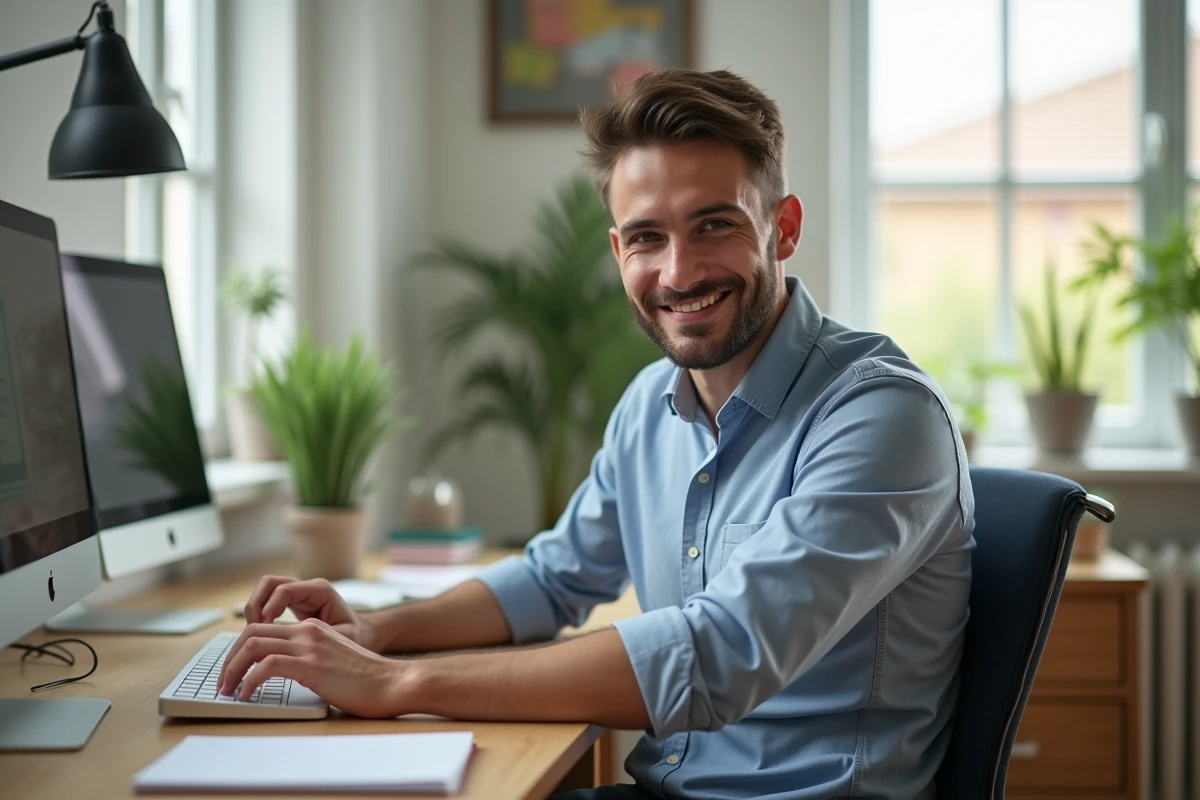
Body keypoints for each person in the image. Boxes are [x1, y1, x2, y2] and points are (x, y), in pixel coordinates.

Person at [219, 68, 974, 800]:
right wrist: (379, 631)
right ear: (619, 254)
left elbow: (722, 655)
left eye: (713, 224)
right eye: (647, 237)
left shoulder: (880, 415)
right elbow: (555, 577)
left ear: (784, 227)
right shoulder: (651, 405)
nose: (678, 272)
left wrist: (396, 684)